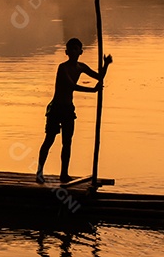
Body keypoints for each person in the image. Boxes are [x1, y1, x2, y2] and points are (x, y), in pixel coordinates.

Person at [36, 38, 112, 184]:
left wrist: (106, 65)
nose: (73, 52)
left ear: (80, 52)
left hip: (68, 109)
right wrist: (93, 90)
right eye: (70, 49)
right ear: (66, 52)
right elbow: (71, 86)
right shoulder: (62, 68)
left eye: (76, 49)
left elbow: (99, 76)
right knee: (49, 140)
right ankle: (39, 172)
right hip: (56, 108)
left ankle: (64, 174)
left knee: (67, 142)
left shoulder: (81, 67)